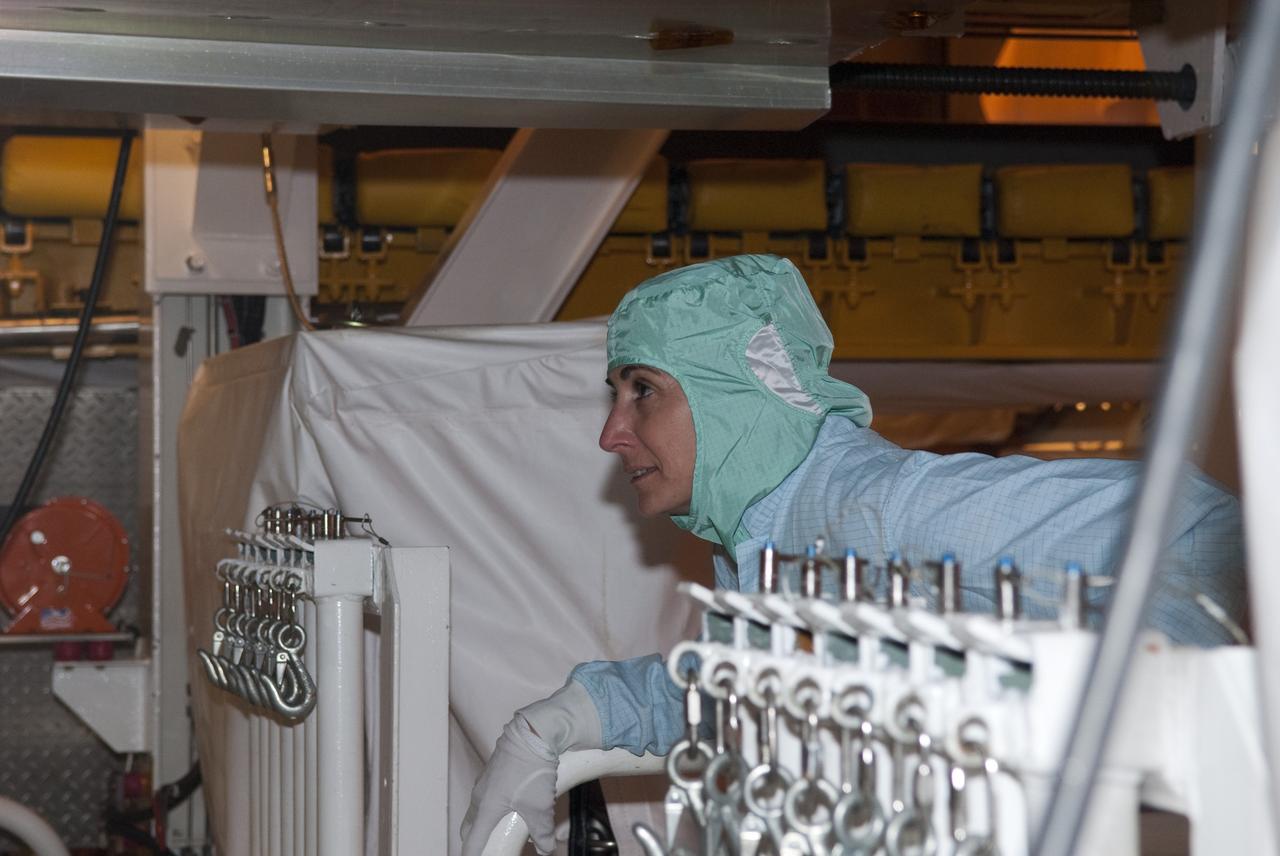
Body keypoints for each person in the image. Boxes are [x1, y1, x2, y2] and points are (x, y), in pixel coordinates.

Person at [460, 253, 1245, 855]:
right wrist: (565, 718)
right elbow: (738, 687)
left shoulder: (886, 512)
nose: (612, 432)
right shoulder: (771, 547)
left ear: (738, 389)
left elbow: (1202, 535)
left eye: (643, 391)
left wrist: (1062, 715)